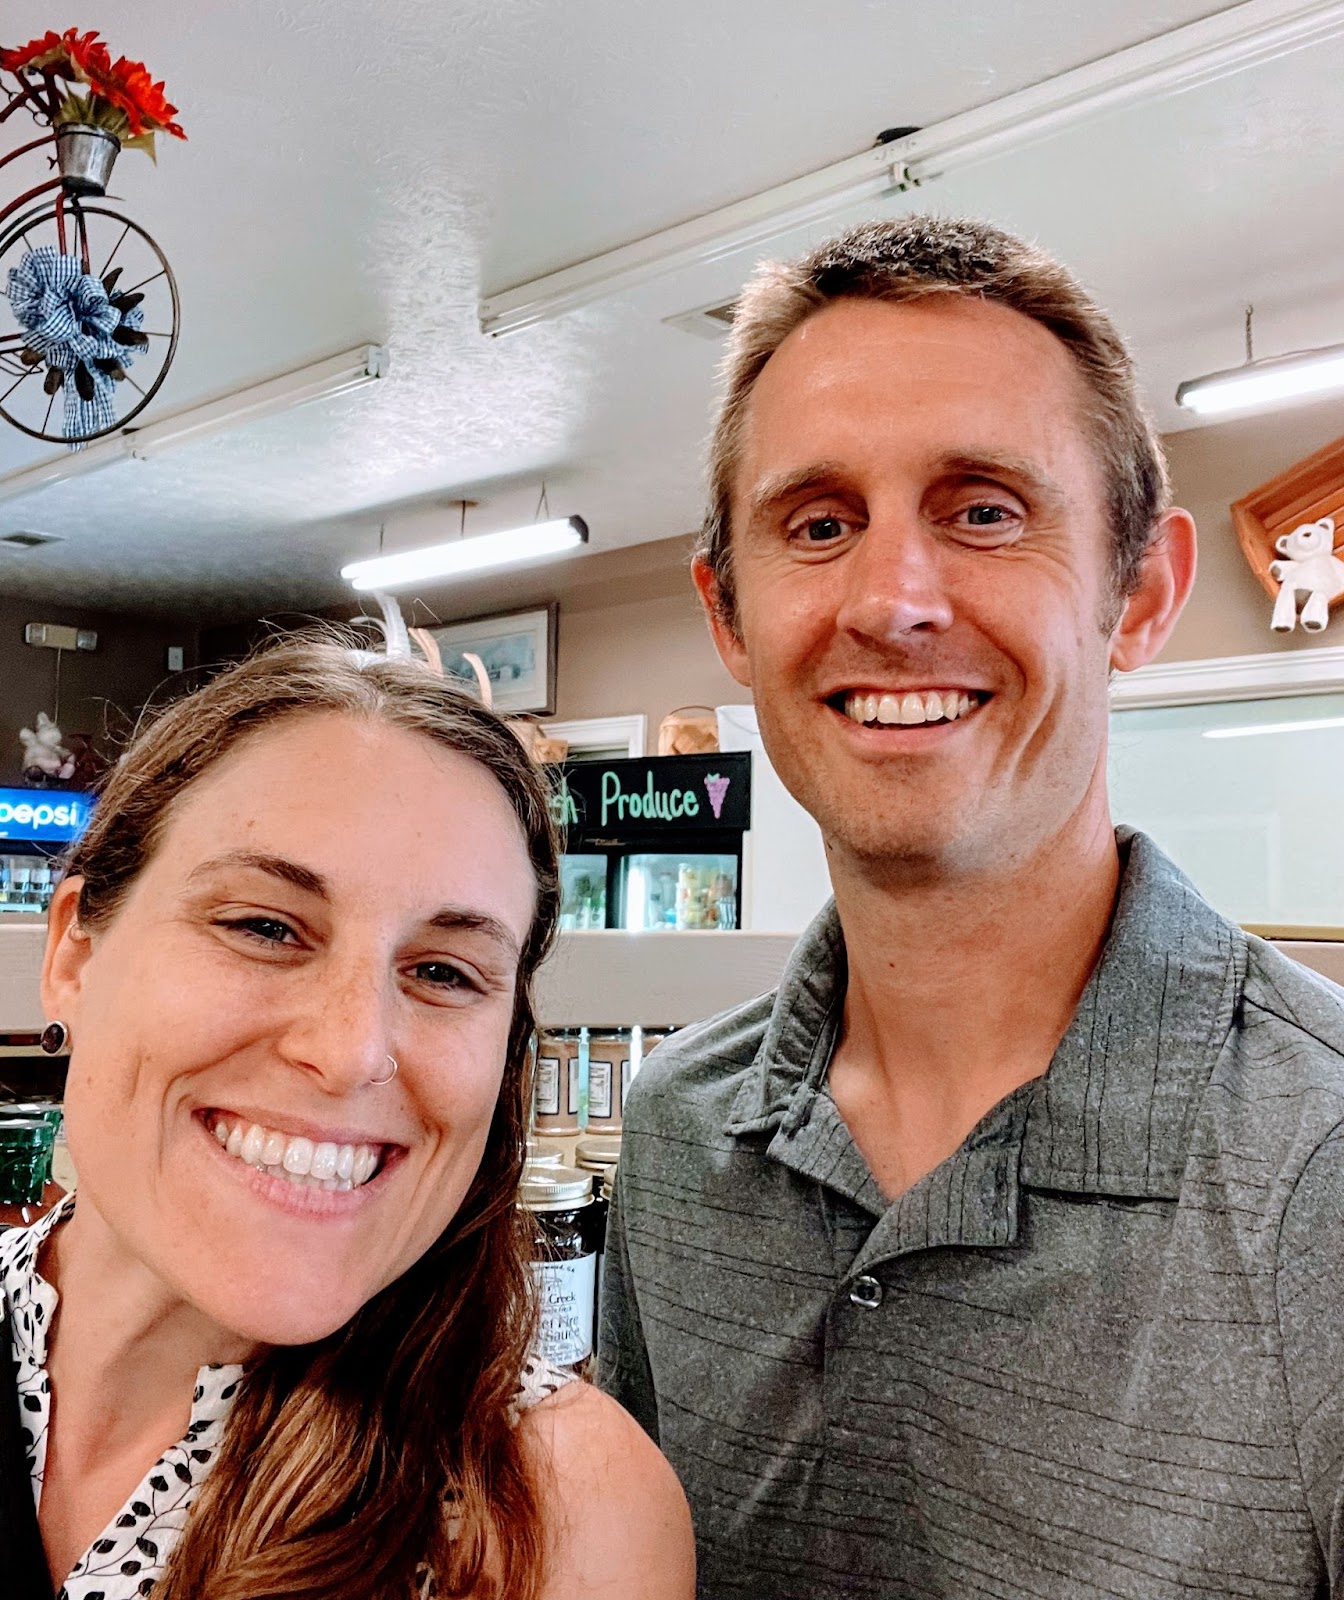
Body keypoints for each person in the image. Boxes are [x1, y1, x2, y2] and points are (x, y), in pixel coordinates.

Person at [597, 214, 1344, 1598]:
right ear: (730, 615)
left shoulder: (1325, 1174)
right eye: (819, 525)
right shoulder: (680, 1136)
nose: (894, 597)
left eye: (984, 510)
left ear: (1142, 593)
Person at [0, 638, 693, 1599]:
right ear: (74, 953)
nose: (353, 1050)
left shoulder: (546, 1517)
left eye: (445, 973)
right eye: (264, 927)